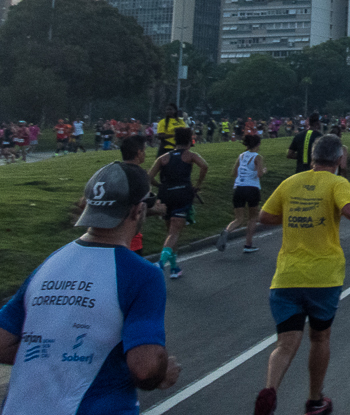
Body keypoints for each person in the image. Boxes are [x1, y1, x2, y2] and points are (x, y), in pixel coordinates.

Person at [0, 162, 182, 412]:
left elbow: (2, 343)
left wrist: (58, 356)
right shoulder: (142, 275)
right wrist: (163, 373)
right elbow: (145, 368)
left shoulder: (48, 265)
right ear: (137, 210)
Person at [254, 135, 350, 415]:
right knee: (319, 338)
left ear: (313, 157)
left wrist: (293, 214)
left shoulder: (291, 183)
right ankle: (315, 400)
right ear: (339, 159)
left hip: (287, 277)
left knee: (285, 343)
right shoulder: (338, 183)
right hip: (323, 277)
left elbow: (264, 216)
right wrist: (345, 207)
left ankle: (269, 389)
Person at [147, 127, 208, 280]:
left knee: (170, 233)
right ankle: (160, 264)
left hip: (166, 194)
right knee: (174, 233)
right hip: (183, 193)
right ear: (189, 140)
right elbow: (204, 166)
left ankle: (174, 268)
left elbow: (148, 176)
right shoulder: (190, 155)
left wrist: (159, 185)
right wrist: (198, 184)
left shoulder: (163, 158)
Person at [219, 133, 267, 254]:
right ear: (258, 144)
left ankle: (226, 231)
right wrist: (264, 171)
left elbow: (234, 172)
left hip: (239, 188)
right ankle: (248, 244)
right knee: (252, 218)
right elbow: (259, 174)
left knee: (238, 219)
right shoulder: (258, 157)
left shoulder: (241, 156)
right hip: (252, 188)